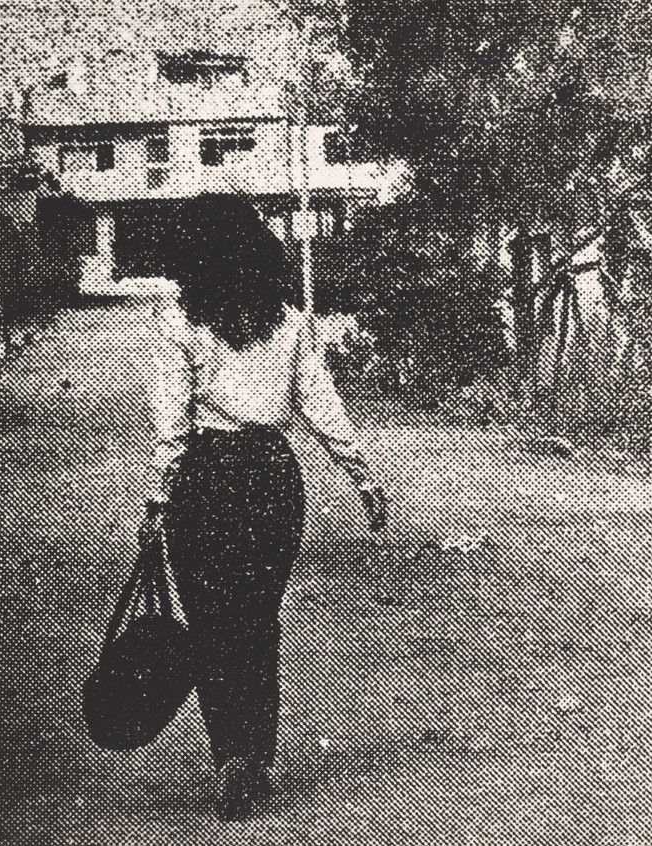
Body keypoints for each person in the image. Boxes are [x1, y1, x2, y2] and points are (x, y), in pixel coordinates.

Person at [138, 194, 388, 821]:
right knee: (257, 618)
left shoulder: (180, 325)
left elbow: (171, 421)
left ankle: (230, 754)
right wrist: (362, 476)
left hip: (207, 478)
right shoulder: (291, 321)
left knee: (213, 624)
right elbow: (323, 406)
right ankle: (257, 755)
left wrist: (158, 494)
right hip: (274, 478)